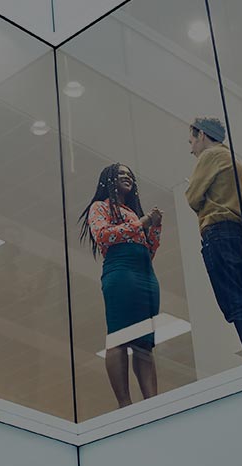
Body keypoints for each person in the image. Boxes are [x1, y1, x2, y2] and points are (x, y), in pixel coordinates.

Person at [186, 116, 242, 361]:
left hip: (218, 234)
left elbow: (192, 198)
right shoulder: (237, 163)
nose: (191, 148)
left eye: (192, 140)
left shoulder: (210, 157)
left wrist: (193, 188)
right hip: (238, 235)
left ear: (202, 135)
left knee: (235, 302)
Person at [79, 163, 164, 407]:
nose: (127, 178)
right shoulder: (100, 207)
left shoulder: (132, 212)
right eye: (121, 174)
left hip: (145, 274)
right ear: (108, 180)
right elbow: (103, 235)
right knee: (118, 337)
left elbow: (150, 249)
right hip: (121, 271)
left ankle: (152, 402)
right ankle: (124, 403)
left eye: (130, 175)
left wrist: (154, 226)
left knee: (145, 343)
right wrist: (143, 222)